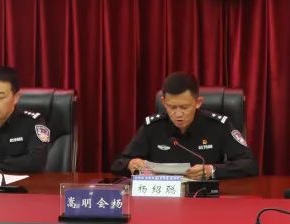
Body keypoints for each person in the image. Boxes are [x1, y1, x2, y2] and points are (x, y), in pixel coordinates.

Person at [110, 71, 258, 179]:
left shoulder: (218, 125)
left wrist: (212, 170)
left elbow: (249, 165)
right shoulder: (153, 126)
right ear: (163, 103)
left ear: (198, 102)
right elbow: (118, 163)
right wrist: (131, 164)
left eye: (184, 107)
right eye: (172, 107)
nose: (178, 114)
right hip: (163, 198)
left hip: (202, 197)